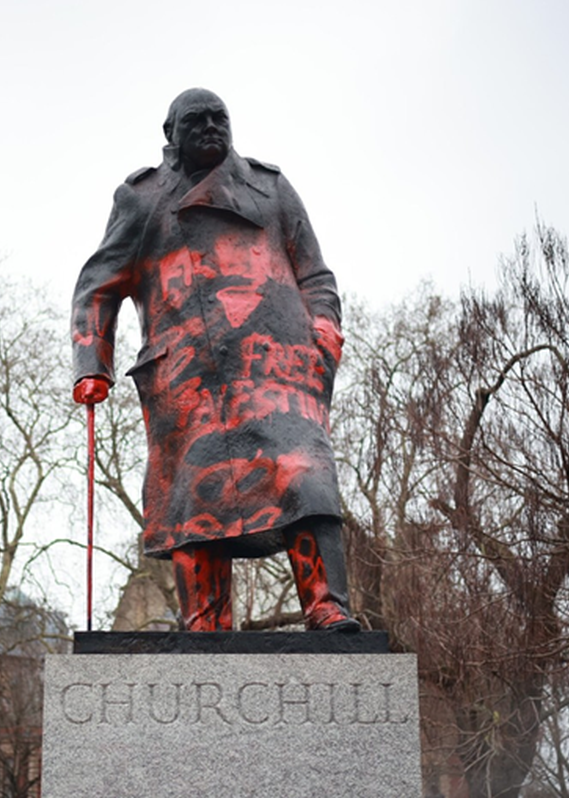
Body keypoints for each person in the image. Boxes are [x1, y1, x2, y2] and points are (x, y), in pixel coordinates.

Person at [71, 88, 358, 632]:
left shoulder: (270, 189)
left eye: (218, 118)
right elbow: (97, 286)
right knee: (195, 503)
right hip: (188, 382)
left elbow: (316, 274)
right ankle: (205, 624)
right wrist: (92, 362)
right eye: (195, 120)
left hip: (277, 368)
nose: (210, 128)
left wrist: (322, 342)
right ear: (170, 134)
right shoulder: (143, 199)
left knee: (305, 475)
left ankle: (327, 606)